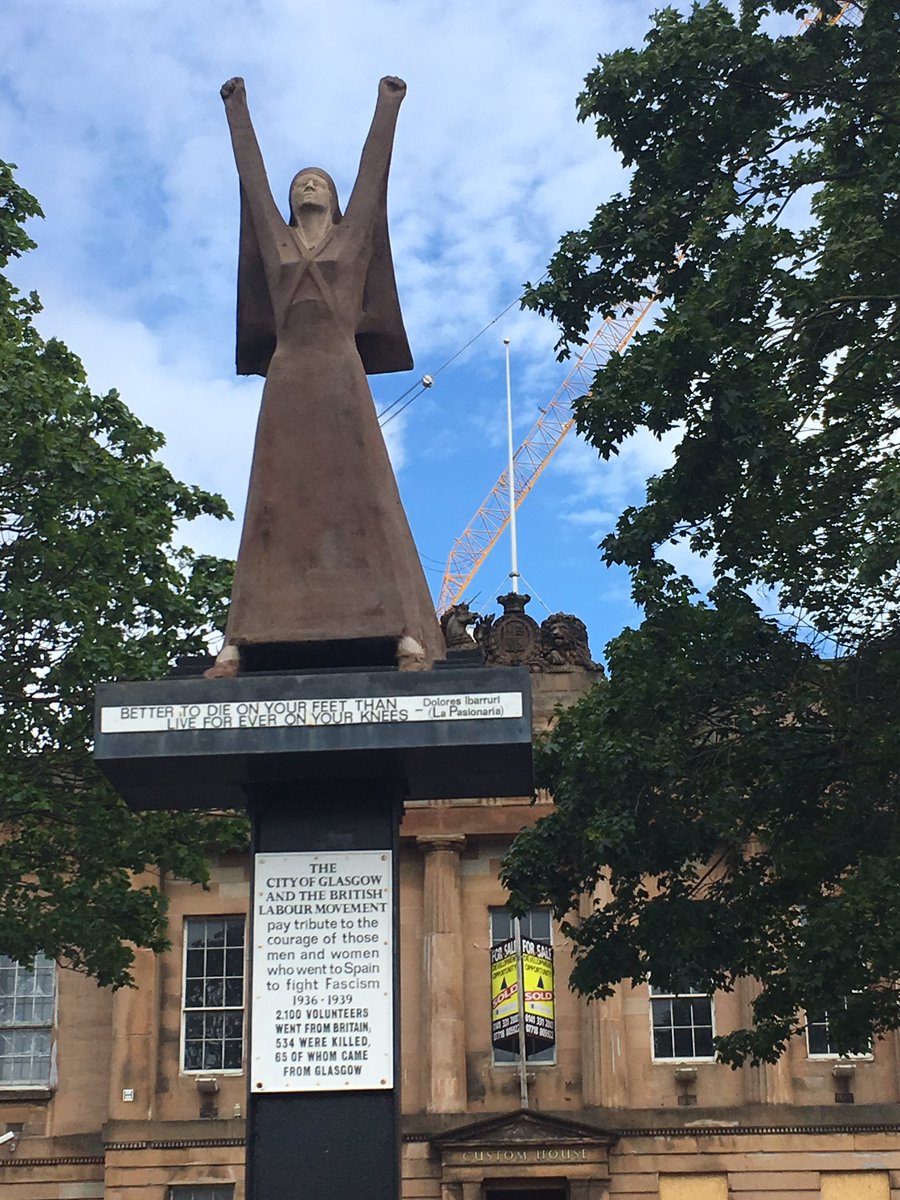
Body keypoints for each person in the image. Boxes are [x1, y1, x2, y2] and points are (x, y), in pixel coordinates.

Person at [212, 76, 444, 674]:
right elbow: (252, 184)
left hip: (343, 379)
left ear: (337, 200)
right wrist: (238, 110)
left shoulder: (352, 238)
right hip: (288, 381)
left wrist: (387, 105)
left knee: (366, 499)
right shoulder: (277, 244)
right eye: (299, 182)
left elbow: (375, 178)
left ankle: (404, 636)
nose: (306, 183)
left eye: (318, 180)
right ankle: (238, 642)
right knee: (271, 504)